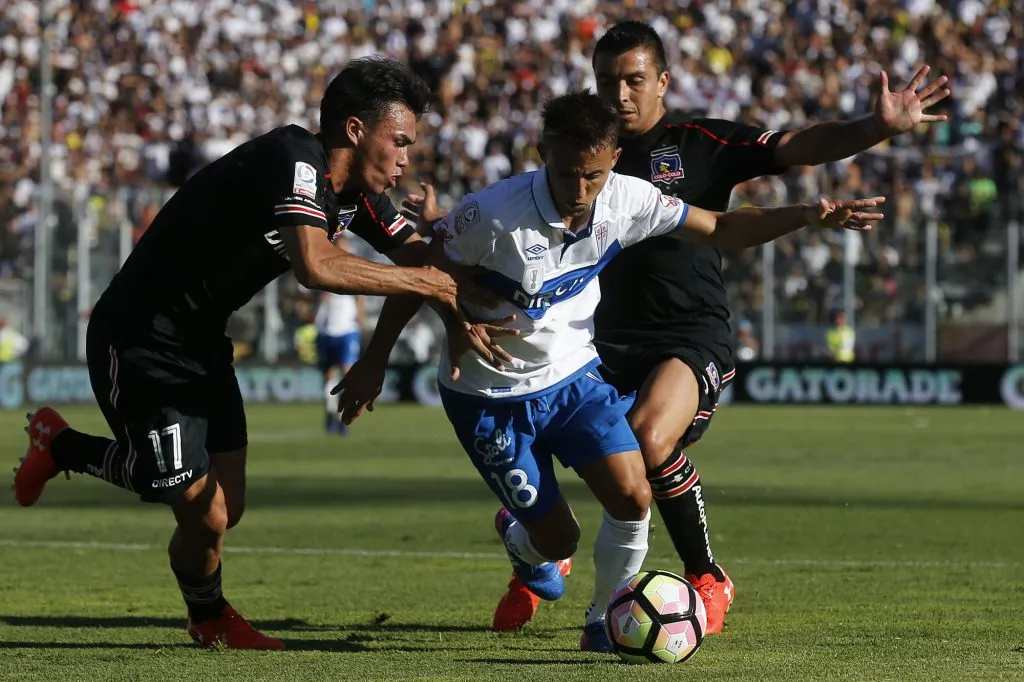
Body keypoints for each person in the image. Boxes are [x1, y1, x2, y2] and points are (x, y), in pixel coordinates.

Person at [333, 90, 885, 651]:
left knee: (633, 495)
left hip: (575, 377)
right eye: (569, 173)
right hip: (488, 393)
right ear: (545, 152)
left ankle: (604, 622)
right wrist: (374, 361)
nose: (579, 191)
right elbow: (420, 272)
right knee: (558, 538)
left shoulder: (630, 199)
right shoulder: (492, 214)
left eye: (593, 176)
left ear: (614, 160)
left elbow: (719, 228)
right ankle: (523, 542)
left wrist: (808, 216)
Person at [13, 56, 497, 650]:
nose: (405, 157)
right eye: (398, 141)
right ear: (353, 130)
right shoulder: (294, 158)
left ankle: (61, 445)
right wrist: (431, 286)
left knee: (225, 507)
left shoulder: (359, 197)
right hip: (139, 338)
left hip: (203, 343)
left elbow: (428, 260)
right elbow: (315, 266)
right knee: (197, 506)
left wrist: (480, 276)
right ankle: (205, 612)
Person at [493, 21, 951, 635]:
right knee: (535, 455)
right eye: (607, 82)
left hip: (688, 333)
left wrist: (875, 129)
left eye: (633, 80)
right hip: (590, 342)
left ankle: (706, 576)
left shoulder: (700, 141)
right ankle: (538, 562)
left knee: (649, 441)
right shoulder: (583, 152)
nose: (620, 95)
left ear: (662, 82)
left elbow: (797, 145)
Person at [315, 236, 367, 434]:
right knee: (328, 377)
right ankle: (330, 413)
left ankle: (343, 418)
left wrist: (360, 315)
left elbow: (360, 292)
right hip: (327, 329)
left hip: (347, 329)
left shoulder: (352, 267)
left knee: (348, 373)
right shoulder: (322, 266)